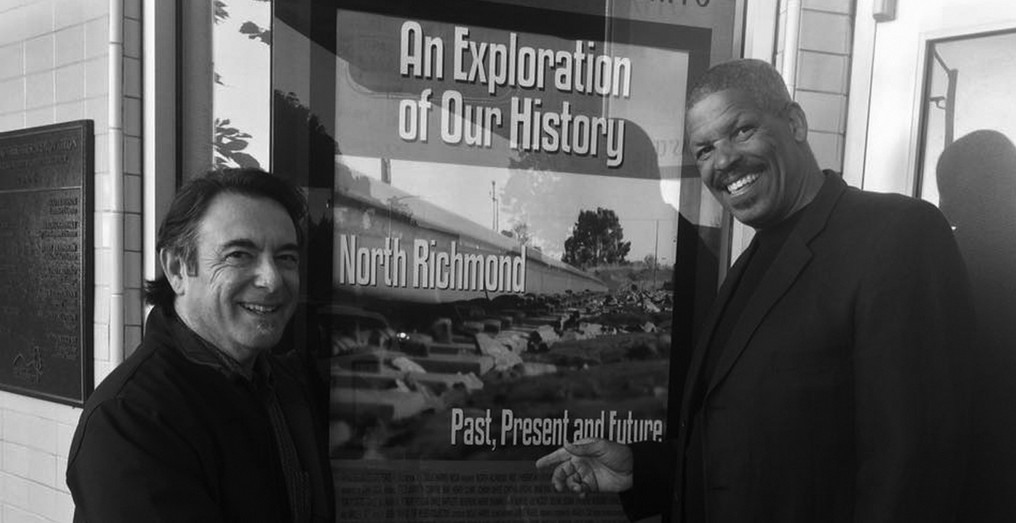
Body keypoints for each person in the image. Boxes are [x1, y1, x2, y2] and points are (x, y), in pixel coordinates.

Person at [537, 59, 973, 522]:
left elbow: (915, 470)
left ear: (795, 123)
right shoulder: (750, 261)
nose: (723, 160)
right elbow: (759, 442)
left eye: (741, 130)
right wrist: (642, 469)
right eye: (704, 150)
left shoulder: (897, 236)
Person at [66, 168, 334, 522]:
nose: (271, 280)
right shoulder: (130, 420)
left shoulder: (284, 383)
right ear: (177, 268)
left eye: (286, 257)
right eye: (239, 254)